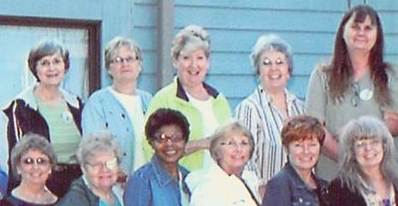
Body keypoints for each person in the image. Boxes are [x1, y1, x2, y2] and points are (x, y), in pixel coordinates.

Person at [305, 4, 398, 164]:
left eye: (368, 28)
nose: (361, 32)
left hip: (378, 175)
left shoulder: (391, 75)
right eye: (355, 27)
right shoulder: (322, 76)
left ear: (377, 35)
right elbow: (315, 127)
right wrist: (346, 158)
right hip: (333, 175)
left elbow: (393, 124)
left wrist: (360, 142)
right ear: (342, 32)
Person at [146, 24, 235, 174]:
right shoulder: (164, 100)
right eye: (186, 58)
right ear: (175, 61)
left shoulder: (219, 101)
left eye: (200, 58)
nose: (194, 65)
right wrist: (202, 144)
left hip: (217, 186)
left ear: (207, 63)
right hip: (179, 186)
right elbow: (150, 150)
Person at [0, 38, 83, 194]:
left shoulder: (77, 104)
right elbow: (19, 157)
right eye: (45, 63)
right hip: (39, 186)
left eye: (57, 61)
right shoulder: (22, 106)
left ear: (65, 67)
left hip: (76, 188)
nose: (51, 68)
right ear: (35, 69)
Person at [235, 34, 305, 184]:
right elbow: (244, 158)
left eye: (280, 62)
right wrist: (261, 193)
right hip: (265, 198)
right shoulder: (249, 109)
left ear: (288, 71)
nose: (274, 68)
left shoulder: (300, 108)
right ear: (258, 72)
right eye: (266, 63)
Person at [81, 35, 151, 175]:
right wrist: (118, 175)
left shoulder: (149, 100)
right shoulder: (98, 102)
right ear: (109, 69)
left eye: (130, 58)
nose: (125, 64)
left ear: (139, 65)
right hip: (114, 186)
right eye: (118, 60)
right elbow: (93, 149)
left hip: (147, 184)